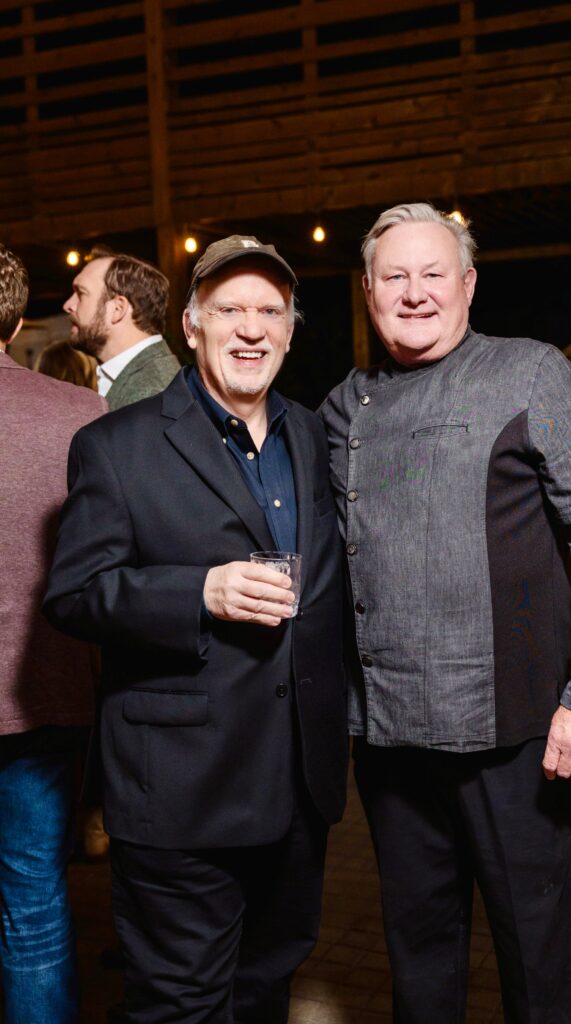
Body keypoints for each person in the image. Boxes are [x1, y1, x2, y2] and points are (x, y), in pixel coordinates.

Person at [319, 202, 571, 1023]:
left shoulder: (529, 373)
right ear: (367, 290)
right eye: (394, 276)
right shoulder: (343, 406)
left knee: (537, 962)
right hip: (390, 740)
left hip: (517, 738)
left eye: (433, 273)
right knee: (419, 961)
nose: (414, 292)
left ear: (467, 284)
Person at [44, 235, 348, 1022]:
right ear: (190, 324)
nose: (251, 328)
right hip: (182, 791)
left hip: (296, 786)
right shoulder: (115, 444)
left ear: (289, 330)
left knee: (266, 990)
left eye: (270, 312)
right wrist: (199, 591)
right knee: (181, 1006)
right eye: (229, 309)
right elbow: (74, 595)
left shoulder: (311, 434)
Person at [0, 244, 107, 1022]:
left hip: (45, 703)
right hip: (46, 696)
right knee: (33, 905)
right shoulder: (79, 416)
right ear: (13, 322)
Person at [63, 250, 180, 410]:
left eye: (81, 293)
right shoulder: (138, 380)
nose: (68, 305)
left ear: (118, 309)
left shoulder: (153, 394)